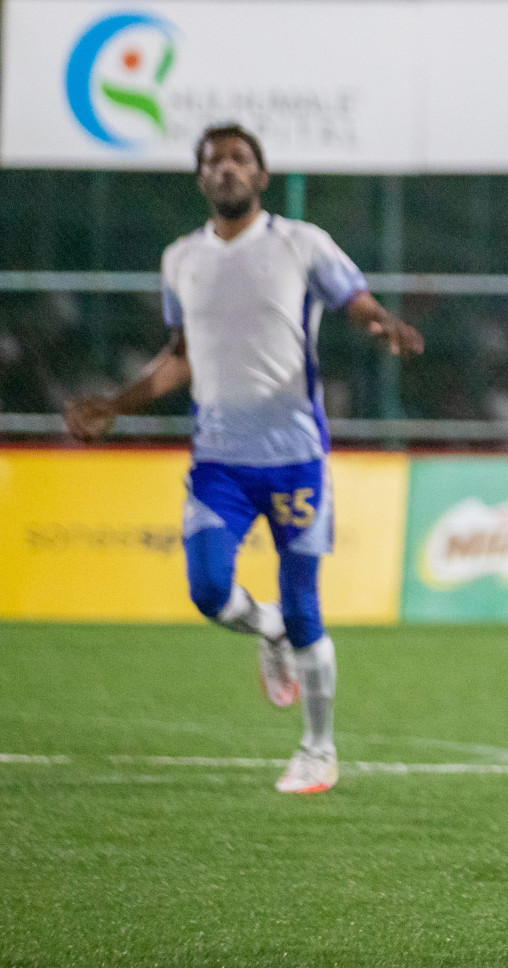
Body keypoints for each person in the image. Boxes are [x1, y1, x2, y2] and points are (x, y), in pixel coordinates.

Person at [64, 123, 423, 795]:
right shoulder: (181, 260)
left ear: (261, 176)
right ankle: (268, 631)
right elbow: (181, 356)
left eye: (239, 159)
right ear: (201, 178)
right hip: (219, 462)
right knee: (206, 591)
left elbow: (356, 301)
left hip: (295, 461)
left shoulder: (300, 243)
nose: (226, 169)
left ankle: (319, 748)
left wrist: (380, 323)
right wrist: (117, 402)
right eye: (213, 161)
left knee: (308, 606)